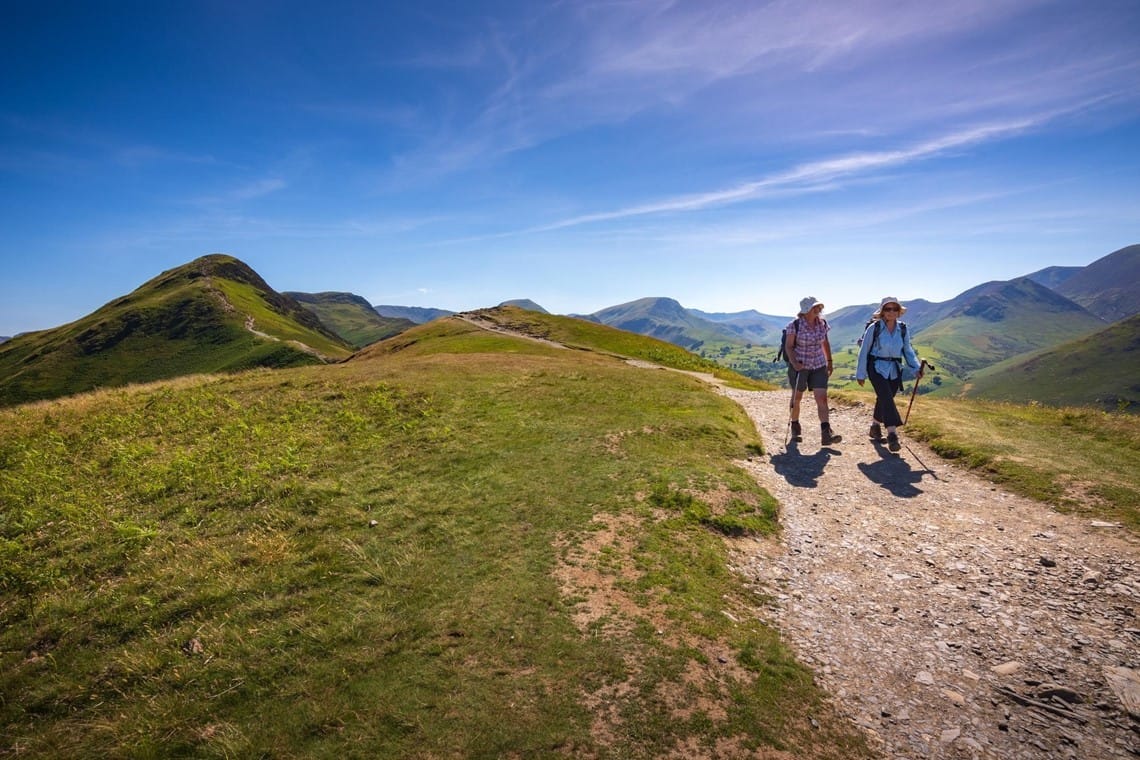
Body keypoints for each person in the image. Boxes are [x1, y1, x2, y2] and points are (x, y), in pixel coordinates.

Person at [855, 297, 923, 452]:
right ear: (882, 312)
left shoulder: (903, 329)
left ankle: (875, 426)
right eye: (887, 309)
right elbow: (864, 350)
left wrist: (916, 368)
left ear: (899, 312)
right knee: (886, 396)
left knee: (885, 397)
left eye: (894, 309)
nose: (891, 312)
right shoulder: (874, 327)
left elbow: (908, 351)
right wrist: (861, 373)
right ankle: (892, 434)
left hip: (894, 368)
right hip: (875, 366)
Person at [784, 297, 841, 445]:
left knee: (822, 398)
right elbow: (789, 346)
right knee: (797, 398)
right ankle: (795, 426)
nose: (818, 309)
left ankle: (826, 432)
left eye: (818, 306)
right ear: (806, 310)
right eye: (814, 307)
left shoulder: (822, 324)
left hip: (818, 365)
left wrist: (829, 361)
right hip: (800, 366)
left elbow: (825, 342)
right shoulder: (794, 325)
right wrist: (795, 363)